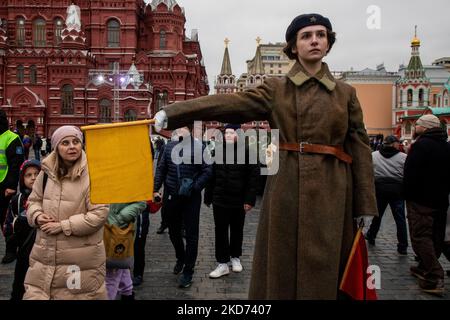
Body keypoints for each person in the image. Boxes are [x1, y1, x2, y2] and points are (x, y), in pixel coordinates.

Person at [153, 13, 377, 299]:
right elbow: (229, 104)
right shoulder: (276, 89)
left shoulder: (346, 93)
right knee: (281, 261)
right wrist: (172, 113)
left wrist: (365, 204)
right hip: (286, 186)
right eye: (306, 36)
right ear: (294, 47)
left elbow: (359, 145)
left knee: (328, 262)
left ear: (329, 42)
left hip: (334, 188)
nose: (315, 41)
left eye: (321, 35)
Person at [24, 125, 109, 300]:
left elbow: (99, 214)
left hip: (79, 262)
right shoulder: (45, 173)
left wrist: (62, 226)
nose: (72, 146)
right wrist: (38, 216)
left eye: (76, 142)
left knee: (76, 295)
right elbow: (33, 201)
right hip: (44, 255)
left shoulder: (93, 173)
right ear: (56, 147)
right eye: (65, 143)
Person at [153, 126, 212, 288]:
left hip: (191, 198)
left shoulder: (200, 147)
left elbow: (208, 170)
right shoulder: (169, 146)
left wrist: (195, 187)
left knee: (192, 235)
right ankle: (181, 256)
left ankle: (188, 270)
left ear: (190, 130)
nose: (179, 130)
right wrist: (155, 189)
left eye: (183, 128)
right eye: (177, 128)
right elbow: (161, 169)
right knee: (173, 231)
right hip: (172, 195)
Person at [204, 124, 259, 278]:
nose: (227, 135)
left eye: (231, 133)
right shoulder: (217, 151)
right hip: (220, 199)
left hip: (238, 200)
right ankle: (222, 263)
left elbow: (253, 178)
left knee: (237, 229)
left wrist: (249, 199)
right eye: (226, 133)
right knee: (220, 231)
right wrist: (208, 196)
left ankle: (235, 258)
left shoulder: (248, 152)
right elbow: (211, 175)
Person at [404, 114, 450, 297]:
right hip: (440, 200)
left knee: (421, 236)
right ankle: (424, 266)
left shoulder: (421, 146)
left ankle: (434, 275)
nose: (415, 127)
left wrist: (407, 195)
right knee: (435, 235)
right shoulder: (446, 146)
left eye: (418, 125)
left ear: (424, 128)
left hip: (420, 200)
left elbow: (411, 173)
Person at [3, 160, 41, 300]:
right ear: (22, 179)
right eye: (28, 175)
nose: (33, 177)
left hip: (43, 253)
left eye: (37, 174)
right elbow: (8, 223)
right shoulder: (17, 200)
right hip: (24, 253)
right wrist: (11, 243)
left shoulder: (50, 199)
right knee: (20, 286)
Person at [365, 135, 408, 254]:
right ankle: (402, 245)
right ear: (394, 144)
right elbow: (407, 174)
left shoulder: (374, 155)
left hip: (380, 189)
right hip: (397, 190)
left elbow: (369, 172)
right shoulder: (403, 157)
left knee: (377, 215)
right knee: (400, 219)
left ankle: (371, 235)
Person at [105, 202, 146, 300]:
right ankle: (128, 293)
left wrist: (120, 218)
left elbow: (142, 202)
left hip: (117, 229)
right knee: (120, 265)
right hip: (104, 226)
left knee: (111, 272)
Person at [0, 110, 25, 264]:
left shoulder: (12, 138)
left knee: (6, 221)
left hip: (4, 187)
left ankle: (11, 250)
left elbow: (16, 165)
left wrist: (11, 186)